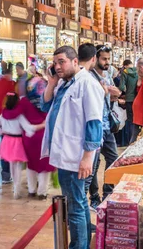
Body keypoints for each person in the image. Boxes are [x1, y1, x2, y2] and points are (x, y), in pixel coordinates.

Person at [41, 46, 104, 249]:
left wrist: (87, 157)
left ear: (75, 61)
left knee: (74, 206)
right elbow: (45, 106)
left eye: (62, 62)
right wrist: (51, 83)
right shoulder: (63, 84)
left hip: (76, 155)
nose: (58, 66)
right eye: (55, 63)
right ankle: (83, 243)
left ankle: (78, 246)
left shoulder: (87, 84)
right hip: (64, 153)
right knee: (79, 201)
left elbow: (94, 123)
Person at [3, 76, 55, 199]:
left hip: (29, 138)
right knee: (44, 166)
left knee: (31, 164)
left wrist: (5, 110)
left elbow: (12, 114)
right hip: (45, 136)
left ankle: (32, 190)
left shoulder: (24, 101)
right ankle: (42, 192)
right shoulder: (49, 100)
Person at [84, 45, 120, 209]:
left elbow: (111, 96)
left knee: (113, 158)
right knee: (94, 163)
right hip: (95, 126)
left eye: (108, 59)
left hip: (107, 124)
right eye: (104, 59)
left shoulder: (108, 75)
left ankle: (108, 192)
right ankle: (95, 198)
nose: (107, 62)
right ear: (95, 58)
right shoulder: (90, 77)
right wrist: (104, 92)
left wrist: (115, 95)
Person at [0, 93, 43, 199]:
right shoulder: (19, 116)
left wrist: (2, 131)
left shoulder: (3, 114)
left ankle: (15, 187)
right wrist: (42, 125)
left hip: (7, 140)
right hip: (17, 141)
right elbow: (28, 127)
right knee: (18, 167)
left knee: (11, 165)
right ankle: (16, 188)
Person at [0, 63, 15, 183]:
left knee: (4, 146)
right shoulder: (12, 84)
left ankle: (6, 174)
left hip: (0, 117)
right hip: (11, 119)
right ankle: (9, 173)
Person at [118, 59, 138, 146]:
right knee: (136, 120)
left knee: (130, 120)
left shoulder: (125, 72)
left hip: (129, 99)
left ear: (125, 65)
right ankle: (136, 139)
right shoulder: (138, 72)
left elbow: (121, 87)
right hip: (137, 99)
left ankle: (129, 141)